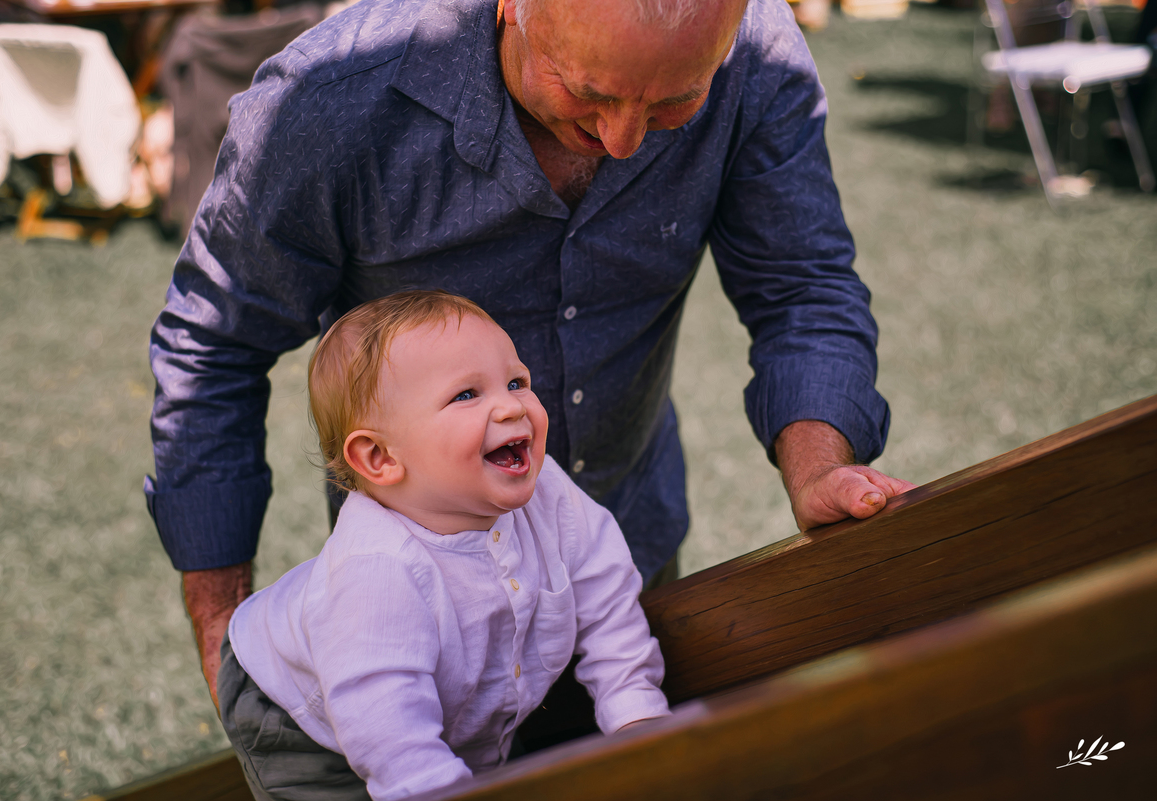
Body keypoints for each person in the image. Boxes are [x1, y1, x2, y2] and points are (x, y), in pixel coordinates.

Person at [147, 0, 917, 711]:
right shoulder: (334, 98)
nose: (623, 139)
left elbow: (800, 286)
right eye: (589, 90)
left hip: (629, 551)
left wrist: (817, 466)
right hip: (421, 614)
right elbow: (214, 346)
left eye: (676, 101)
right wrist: (222, 632)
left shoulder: (757, 53)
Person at [217, 290, 670, 800]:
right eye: (466, 395)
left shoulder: (549, 494)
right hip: (300, 717)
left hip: (451, 711)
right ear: (380, 458)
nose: (510, 406)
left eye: (516, 381)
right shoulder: (376, 574)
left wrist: (635, 712)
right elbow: (393, 739)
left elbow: (606, 601)